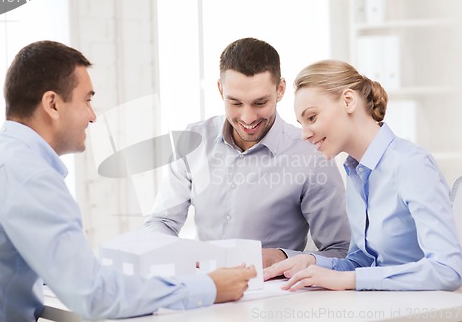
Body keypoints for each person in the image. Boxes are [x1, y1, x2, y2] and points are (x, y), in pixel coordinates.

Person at [0, 40, 256, 322]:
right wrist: (209, 287)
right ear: (52, 104)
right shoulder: (31, 178)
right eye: (87, 100)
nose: (92, 117)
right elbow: (93, 295)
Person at [143, 37, 351, 268]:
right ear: (221, 90)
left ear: (280, 89)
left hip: (274, 294)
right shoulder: (192, 141)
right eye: (236, 103)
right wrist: (174, 255)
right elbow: (161, 222)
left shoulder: (312, 154)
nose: (247, 118)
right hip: (203, 288)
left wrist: (281, 257)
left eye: (260, 103)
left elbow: (340, 251)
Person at [263, 59, 462, 291]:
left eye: (312, 118)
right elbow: (363, 262)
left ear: (348, 101)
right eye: (301, 123)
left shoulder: (410, 164)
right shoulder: (355, 172)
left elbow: (448, 270)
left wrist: (350, 280)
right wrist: (314, 262)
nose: (305, 134)